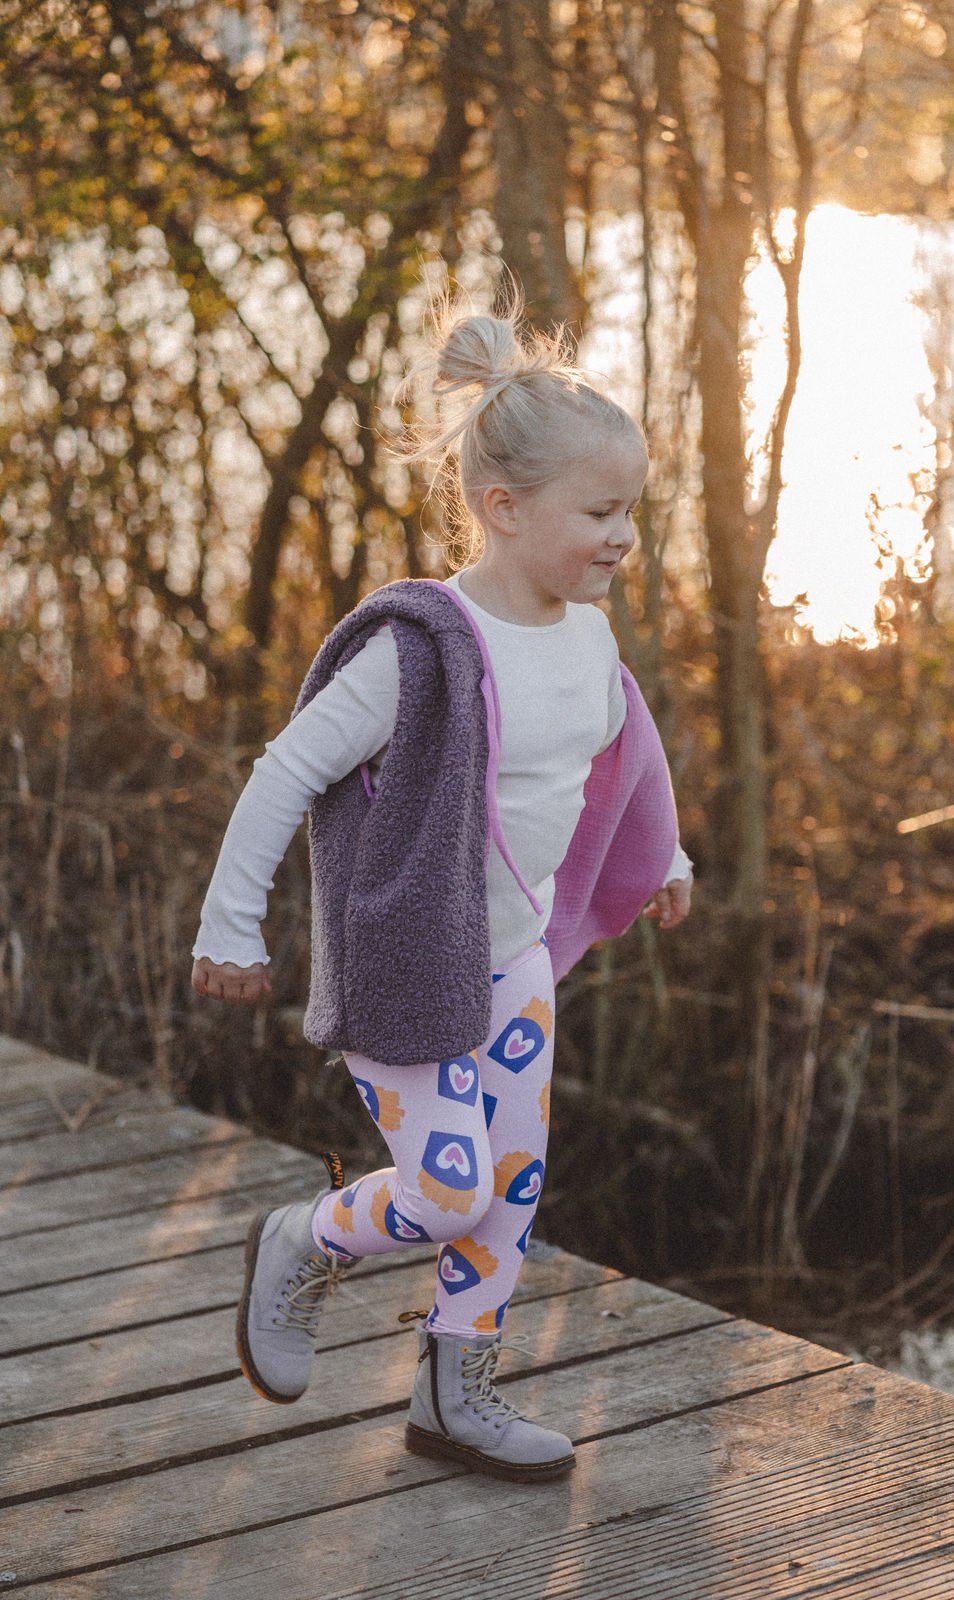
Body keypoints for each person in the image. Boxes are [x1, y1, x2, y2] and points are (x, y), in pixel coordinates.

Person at [190, 290, 693, 1484]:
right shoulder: (414, 654)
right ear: (503, 507)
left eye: (630, 510)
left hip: (513, 963)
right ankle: (303, 1237)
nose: (623, 536)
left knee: (508, 1189)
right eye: (599, 512)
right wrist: (230, 923)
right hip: (411, 963)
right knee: (447, 1187)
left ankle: (451, 1394)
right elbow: (284, 770)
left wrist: (662, 855)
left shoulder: (584, 636)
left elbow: (624, 750)